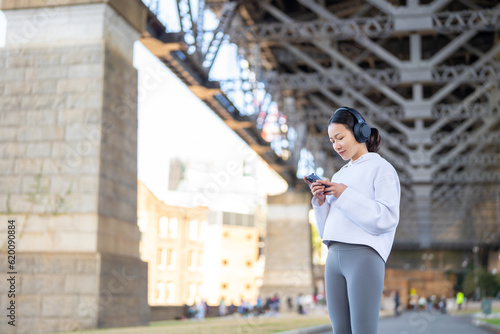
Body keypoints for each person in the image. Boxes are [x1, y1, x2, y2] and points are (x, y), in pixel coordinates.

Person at [305, 107, 400, 334]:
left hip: (364, 256)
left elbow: (386, 218)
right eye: (332, 140)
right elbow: (326, 230)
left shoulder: (382, 169)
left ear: (360, 131)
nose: (336, 145)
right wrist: (320, 202)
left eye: (340, 137)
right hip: (334, 257)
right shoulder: (339, 176)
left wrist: (343, 193)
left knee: (363, 330)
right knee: (340, 331)